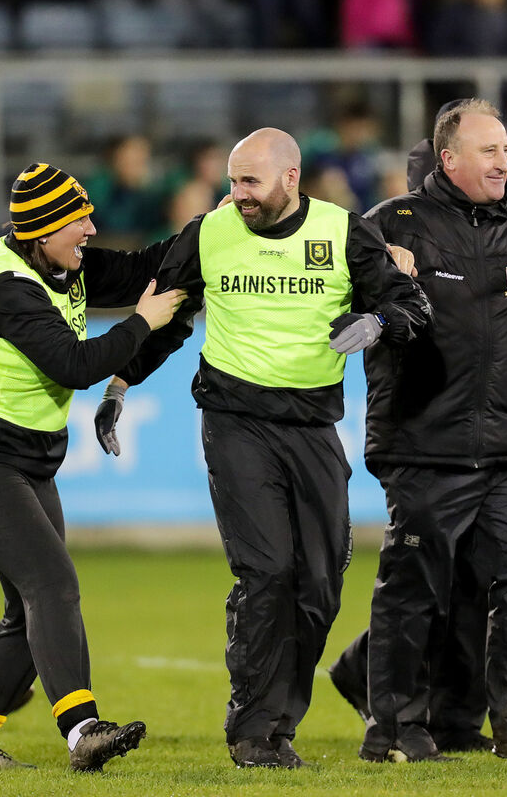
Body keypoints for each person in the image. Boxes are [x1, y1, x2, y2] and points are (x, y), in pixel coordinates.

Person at [94, 127, 431, 768]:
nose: (236, 194)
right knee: (266, 572)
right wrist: (118, 386)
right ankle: (253, 731)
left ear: (290, 179)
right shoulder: (209, 234)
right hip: (235, 422)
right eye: (232, 180)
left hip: (312, 428)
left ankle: (281, 720)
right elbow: (162, 320)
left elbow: (411, 301)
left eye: (250, 181)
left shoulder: (343, 231)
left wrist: (380, 321)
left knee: (322, 581)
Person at [0, 162, 187, 771]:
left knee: (30, 602)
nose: (92, 229)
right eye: (79, 220)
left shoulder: (63, 264)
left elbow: (144, 264)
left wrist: (215, 226)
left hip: (25, 460)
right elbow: (74, 364)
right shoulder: (7, 286)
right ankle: (81, 727)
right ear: (44, 231)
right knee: (53, 585)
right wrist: (142, 322)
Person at [343, 98, 507, 764]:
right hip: (422, 444)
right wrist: (377, 273)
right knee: (416, 590)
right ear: (448, 159)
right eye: (488, 150)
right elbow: (341, 314)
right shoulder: (392, 225)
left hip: (504, 451)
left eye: (505, 149)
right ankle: (393, 727)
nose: (504, 160)